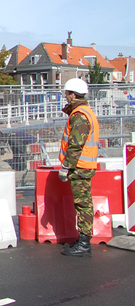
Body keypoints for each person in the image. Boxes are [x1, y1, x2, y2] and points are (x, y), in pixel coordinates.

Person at [58, 78, 99, 257]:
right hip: (83, 165)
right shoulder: (85, 112)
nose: (65, 97)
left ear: (73, 95)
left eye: (66, 94)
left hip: (80, 167)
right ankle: (83, 240)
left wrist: (66, 167)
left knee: (82, 205)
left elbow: (75, 145)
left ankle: (84, 243)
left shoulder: (80, 115)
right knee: (83, 204)